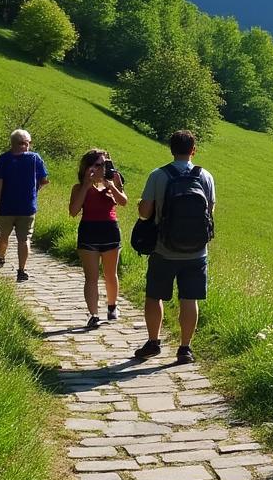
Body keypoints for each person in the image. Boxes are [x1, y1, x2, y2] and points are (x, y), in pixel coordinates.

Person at [135, 130, 215, 364]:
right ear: (194, 150)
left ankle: (153, 342)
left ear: (171, 149)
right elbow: (209, 211)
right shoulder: (206, 176)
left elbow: (145, 213)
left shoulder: (158, 175)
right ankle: (184, 348)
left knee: (154, 296)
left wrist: (143, 205)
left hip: (164, 249)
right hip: (197, 251)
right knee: (190, 299)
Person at [69, 149, 127, 329]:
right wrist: (87, 185)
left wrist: (112, 186)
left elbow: (124, 201)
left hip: (110, 230)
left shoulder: (112, 181)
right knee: (91, 277)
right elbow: (73, 211)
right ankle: (94, 314)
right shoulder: (79, 187)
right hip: (89, 231)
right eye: (98, 164)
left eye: (105, 164)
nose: (102, 168)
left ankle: (112, 306)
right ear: (88, 167)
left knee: (110, 273)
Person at [0, 129, 49, 282]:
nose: (27, 146)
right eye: (26, 143)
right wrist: (34, 192)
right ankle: (22, 270)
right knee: (24, 239)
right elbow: (44, 180)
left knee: (3, 236)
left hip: (6, 207)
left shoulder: (3, 159)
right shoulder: (35, 159)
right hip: (27, 207)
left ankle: (1, 257)